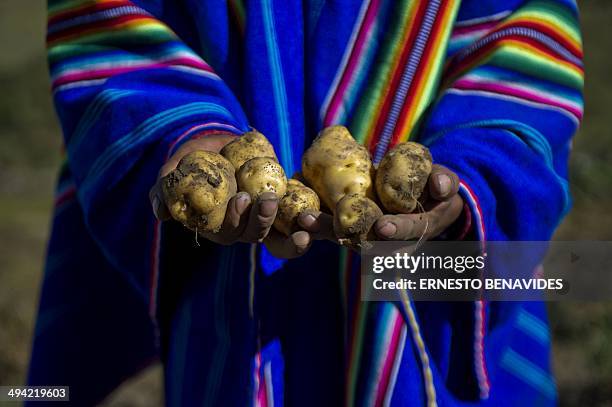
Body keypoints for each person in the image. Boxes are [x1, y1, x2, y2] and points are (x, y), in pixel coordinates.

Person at [29, 0, 583, 405]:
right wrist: (181, 133)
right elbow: (109, 25)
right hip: (228, 291)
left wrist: (475, 177)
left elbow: (529, 33)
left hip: (434, 288)